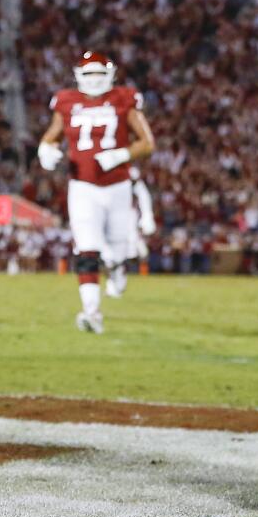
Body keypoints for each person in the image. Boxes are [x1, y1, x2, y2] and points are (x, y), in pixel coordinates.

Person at [36, 51, 156, 333]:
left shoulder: (124, 98)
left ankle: (116, 267)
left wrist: (120, 154)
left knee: (116, 250)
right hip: (82, 186)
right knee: (86, 249)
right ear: (78, 76)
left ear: (110, 75)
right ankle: (91, 312)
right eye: (88, 74)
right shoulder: (66, 101)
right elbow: (52, 135)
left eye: (99, 74)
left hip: (118, 186)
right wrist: (45, 151)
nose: (93, 80)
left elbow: (147, 142)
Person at [99, 165, 157, 296]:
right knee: (106, 254)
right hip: (106, 214)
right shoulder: (101, 165)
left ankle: (117, 283)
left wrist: (147, 216)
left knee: (123, 253)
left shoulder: (129, 171)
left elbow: (142, 193)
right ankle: (113, 284)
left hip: (127, 215)